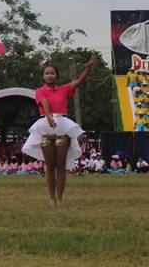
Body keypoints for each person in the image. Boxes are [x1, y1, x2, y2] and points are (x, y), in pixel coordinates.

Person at [22, 56, 96, 206]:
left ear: (56, 75)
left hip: (62, 127)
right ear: (43, 76)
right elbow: (44, 103)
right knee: (49, 167)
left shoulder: (63, 89)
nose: (50, 75)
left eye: (52, 73)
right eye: (47, 73)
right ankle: (51, 198)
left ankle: (60, 199)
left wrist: (88, 68)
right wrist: (49, 117)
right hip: (46, 127)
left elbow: (79, 81)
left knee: (61, 167)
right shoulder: (40, 91)